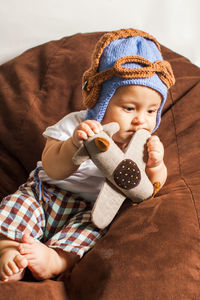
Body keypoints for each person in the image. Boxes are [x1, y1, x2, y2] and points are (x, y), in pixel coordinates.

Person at [0, 28, 175, 282]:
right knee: (18, 207)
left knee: (93, 232)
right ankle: (10, 252)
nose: (141, 120)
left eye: (151, 111)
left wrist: (156, 164)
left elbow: (152, 186)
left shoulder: (144, 144)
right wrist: (74, 143)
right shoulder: (76, 125)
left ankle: (56, 260)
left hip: (91, 210)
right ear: (101, 101)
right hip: (45, 194)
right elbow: (53, 168)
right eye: (129, 108)